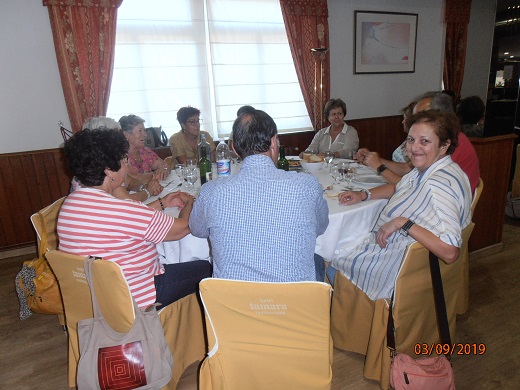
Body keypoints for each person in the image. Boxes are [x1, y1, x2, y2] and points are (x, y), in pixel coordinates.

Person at [57, 128, 212, 309]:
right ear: (109, 171)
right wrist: (190, 203)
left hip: (92, 295)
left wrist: (162, 202)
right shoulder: (120, 210)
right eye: (124, 160)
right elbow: (182, 228)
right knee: (206, 267)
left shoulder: (70, 204)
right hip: (135, 296)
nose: (126, 164)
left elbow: (129, 219)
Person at [330, 110, 472, 300]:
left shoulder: (436, 186)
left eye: (424, 141)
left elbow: (450, 252)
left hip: (393, 266)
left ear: (444, 145)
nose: (414, 148)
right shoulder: (440, 169)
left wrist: (403, 222)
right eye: (411, 140)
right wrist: (364, 194)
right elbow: (401, 188)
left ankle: (340, 315)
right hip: (412, 264)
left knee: (329, 255)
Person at [189, 109, 329, 282]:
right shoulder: (308, 185)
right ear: (274, 142)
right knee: (318, 261)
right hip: (294, 305)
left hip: (231, 304)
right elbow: (320, 228)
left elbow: (197, 230)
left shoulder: (211, 191)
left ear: (234, 148)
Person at [355, 91, 480, 193]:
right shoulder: (441, 138)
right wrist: (372, 159)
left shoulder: (449, 144)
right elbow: (406, 169)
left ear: (441, 117)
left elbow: (413, 190)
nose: (414, 123)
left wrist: (379, 167)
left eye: (420, 117)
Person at [73, 116, 163, 203]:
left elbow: (129, 180)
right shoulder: (102, 171)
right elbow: (128, 202)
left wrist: (143, 187)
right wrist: (148, 192)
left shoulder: (97, 163)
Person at [119, 114, 171, 181]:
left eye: (144, 130)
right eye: (140, 131)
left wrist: (164, 170)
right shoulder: (120, 156)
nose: (145, 135)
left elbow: (165, 165)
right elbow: (133, 179)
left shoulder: (145, 151)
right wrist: (154, 174)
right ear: (126, 134)